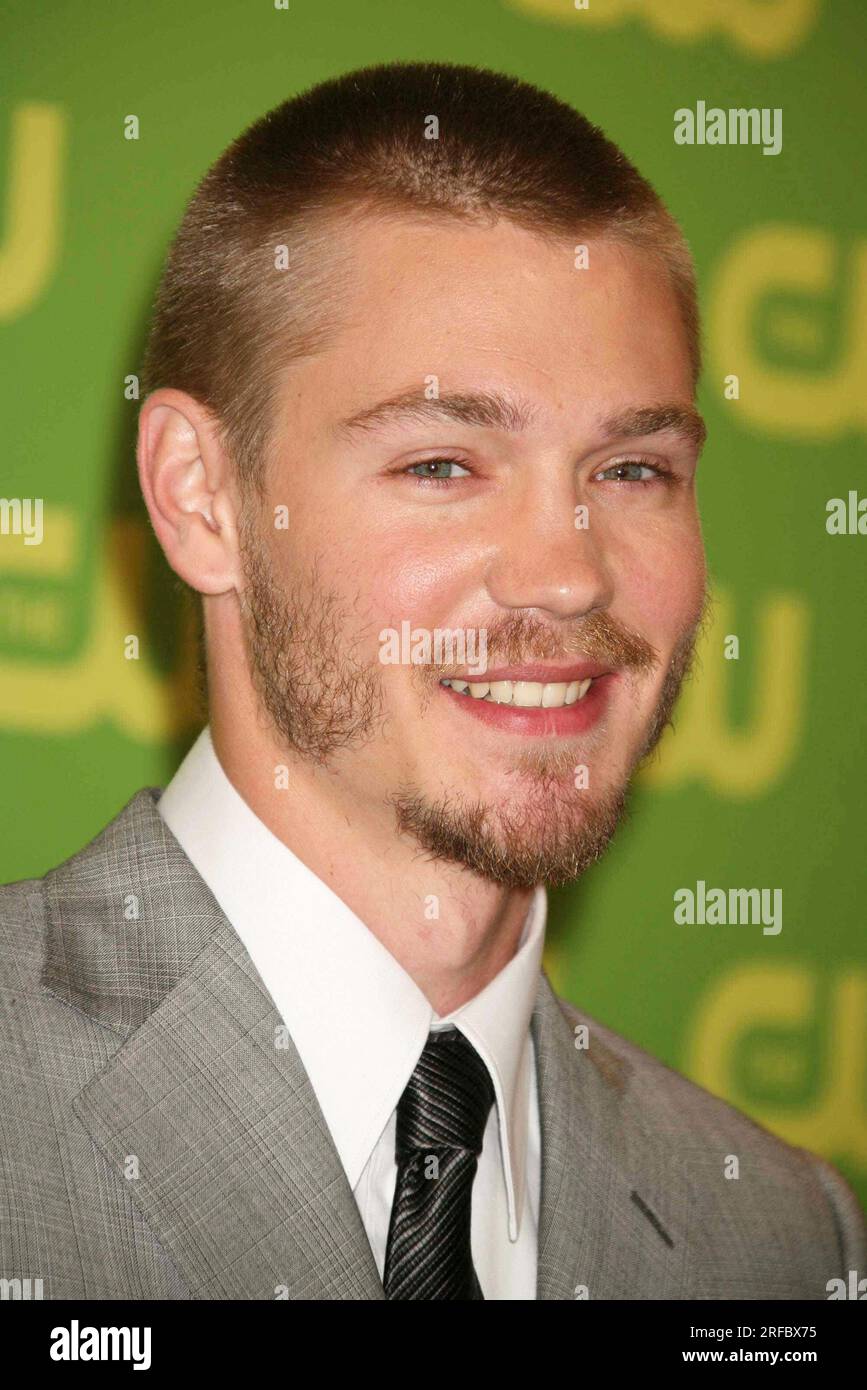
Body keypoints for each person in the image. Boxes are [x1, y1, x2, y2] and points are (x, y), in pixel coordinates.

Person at [1, 61, 863, 1301]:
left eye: (630, 470)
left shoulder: (785, 1243)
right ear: (202, 496)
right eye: (446, 464)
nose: (569, 577)